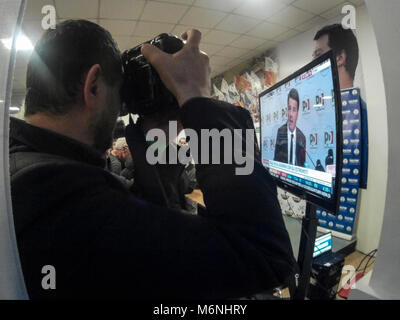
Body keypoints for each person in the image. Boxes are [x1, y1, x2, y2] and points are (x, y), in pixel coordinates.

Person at [9, 20, 296, 299]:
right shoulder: (59, 195)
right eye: (117, 94)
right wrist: (197, 97)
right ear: (93, 86)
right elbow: (264, 256)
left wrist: (153, 136)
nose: (119, 111)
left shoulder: (25, 165)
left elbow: (143, 219)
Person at [312, 23, 368, 188]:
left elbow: (359, 185)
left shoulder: (360, 116)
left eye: (318, 54)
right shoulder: (322, 114)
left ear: (340, 58)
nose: (312, 62)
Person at [274, 88, 306, 167]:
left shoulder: (302, 137)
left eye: (294, 110)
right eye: (289, 108)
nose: (291, 114)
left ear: (297, 113)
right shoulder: (280, 131)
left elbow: (302, 165)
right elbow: (276, 160)